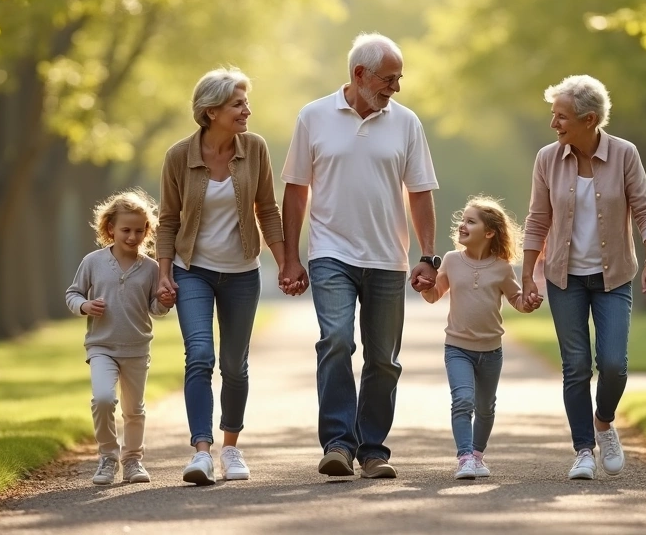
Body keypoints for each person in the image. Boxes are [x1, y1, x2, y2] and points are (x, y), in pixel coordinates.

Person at [279, 32, 439, 479]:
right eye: (389, 78)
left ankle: (372, 450)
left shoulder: (407, 123)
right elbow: (295, 192)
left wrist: (430, 255)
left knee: (384, 358)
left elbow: (421, 192)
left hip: (389, 257)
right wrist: (290, 258)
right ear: (359, 74)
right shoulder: (313, 116)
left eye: (399, 78)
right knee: (336, 341)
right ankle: (337, 444)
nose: (396, 87)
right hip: (331, 252)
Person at [521, 74, 646, 481]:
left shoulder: (624, 154)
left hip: (613, 277)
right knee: (576, 365)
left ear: (590, 119)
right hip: (564, 278)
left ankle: (604, 422)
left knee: (614, 364)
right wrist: (529, 276)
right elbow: (537, 220)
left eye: (561, 117)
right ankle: (583, 449)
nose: (554, 124)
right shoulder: (547, 159)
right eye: (554, 116)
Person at [156, 67, 288, 486]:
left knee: (234, 365)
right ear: (211, 111)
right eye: (238, 104)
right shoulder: (180, 155)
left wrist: (286, 263)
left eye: (246, 103)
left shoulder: (255, 149)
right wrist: (163, 273)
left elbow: (267, 209)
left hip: (241, 272)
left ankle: (231, 449)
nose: (247, 110)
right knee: (199, 355)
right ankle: (201, 453)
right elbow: (167, 221)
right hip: (192, 271)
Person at [416, 195, 542, 480]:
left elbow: (517, 301)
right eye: (462, 220)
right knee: (462, 399)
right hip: (457, 348)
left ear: (489, 232)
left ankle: (477, 455)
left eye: (470, 221)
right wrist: (425, 287)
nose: (462, 225)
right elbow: (434, 294)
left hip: (491, 351)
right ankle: (464, 458)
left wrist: (529, 303)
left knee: (485, 408)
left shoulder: (501, 267)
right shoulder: (451, 260)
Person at [66, 189, 175, 486]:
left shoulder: (151, 268)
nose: (132, 236)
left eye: (139, 231)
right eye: (125, 230)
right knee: (102, 399)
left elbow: (155, 309)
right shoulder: (93, 262)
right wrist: (84, 305)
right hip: (102, 346)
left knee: (134, 410)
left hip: (137, 348)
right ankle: (107, 456)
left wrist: (165, 301)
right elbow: (73, 294)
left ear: (147, 231)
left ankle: (133, 460)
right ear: (110, 228)